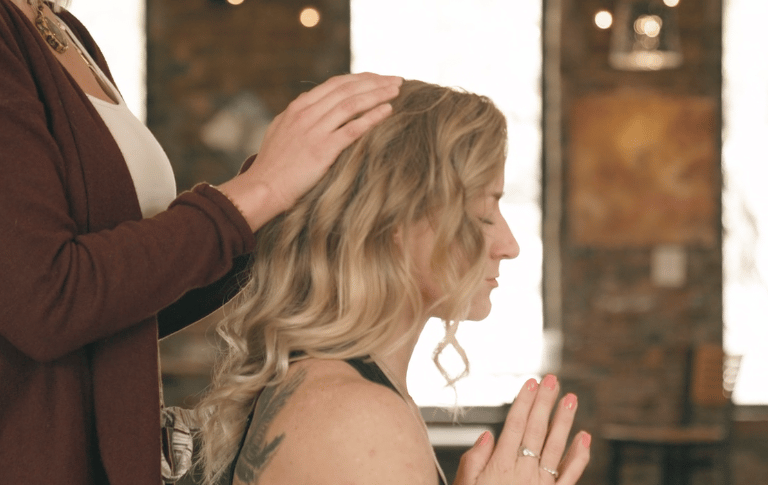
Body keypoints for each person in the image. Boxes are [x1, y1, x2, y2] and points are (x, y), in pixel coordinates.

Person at [0, 0, 402, 483]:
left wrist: (270, 211)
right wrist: (258, 192)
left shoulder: (62, 30)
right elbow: (47, 298)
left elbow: (114, 306)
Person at [196, 80, 591, 485]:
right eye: (484, 215)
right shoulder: (358, 417)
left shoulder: (341, 389)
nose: (509, 246)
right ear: (393, 223)